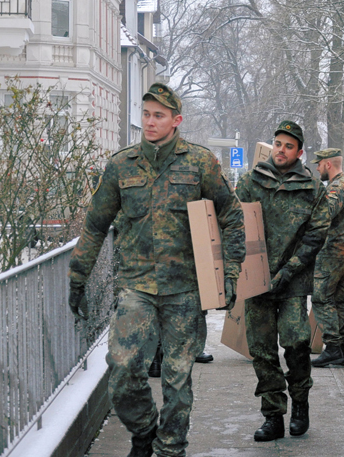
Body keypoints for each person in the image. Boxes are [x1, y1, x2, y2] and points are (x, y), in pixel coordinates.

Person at [67, 83, 245, 457]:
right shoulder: (121, 165)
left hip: (185, 290)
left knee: (177, 379)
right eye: (146, 114)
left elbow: (231, 215)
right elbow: (96, 225)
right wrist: (77, 277)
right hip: (137, 287)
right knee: (122, 368)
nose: (150, 122)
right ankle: (145, 429)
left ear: (176, 121)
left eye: (159, 116)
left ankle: (170, 448)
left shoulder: (200, 163)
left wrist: (228, 275)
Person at [235, 120, 330, 442]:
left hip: (292, 282)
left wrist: (287, 271)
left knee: (296, 344)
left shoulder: (312, 188)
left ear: (299, 152)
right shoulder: (251, 182)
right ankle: (273, 415)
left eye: (289, 146)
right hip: (257, 281)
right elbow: (234, 222)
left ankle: (300, 403)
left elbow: (316, 235)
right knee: (262, 351)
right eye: (278, 144)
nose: (281, 150)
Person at [309, 148, 344, 368]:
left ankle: (332, 347)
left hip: (334, 250)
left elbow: (324, 215)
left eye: (319, 164)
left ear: (328, 164)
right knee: (341, 298)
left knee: (321, 297)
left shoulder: (337, 188)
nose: (317, 168)